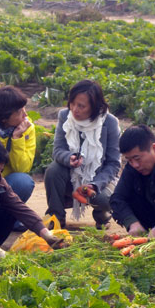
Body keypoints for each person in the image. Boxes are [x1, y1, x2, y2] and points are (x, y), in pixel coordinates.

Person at [44, 80, 121, 229]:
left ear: (95, 107)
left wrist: (94, 185)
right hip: (73, 174)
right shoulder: (65, 116)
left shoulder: (109, 122)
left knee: (103, 199)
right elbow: (58, 150)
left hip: (100, 178)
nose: (75, 110)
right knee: (53, 170)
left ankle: (102, 214)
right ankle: (56, 217)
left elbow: (113, 164)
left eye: (81, 106)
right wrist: (69, 158)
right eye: (72, 103)